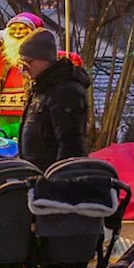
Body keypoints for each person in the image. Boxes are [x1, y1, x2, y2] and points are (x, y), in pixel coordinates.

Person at [16, 29, 88, 172]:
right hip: (38, 174)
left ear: (45, 59)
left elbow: (70, 144)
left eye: (28, 62)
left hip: (52, 179)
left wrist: (57, 179)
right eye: (21, 63)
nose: (24, 69)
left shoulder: (66, 91)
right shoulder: (40, 88)